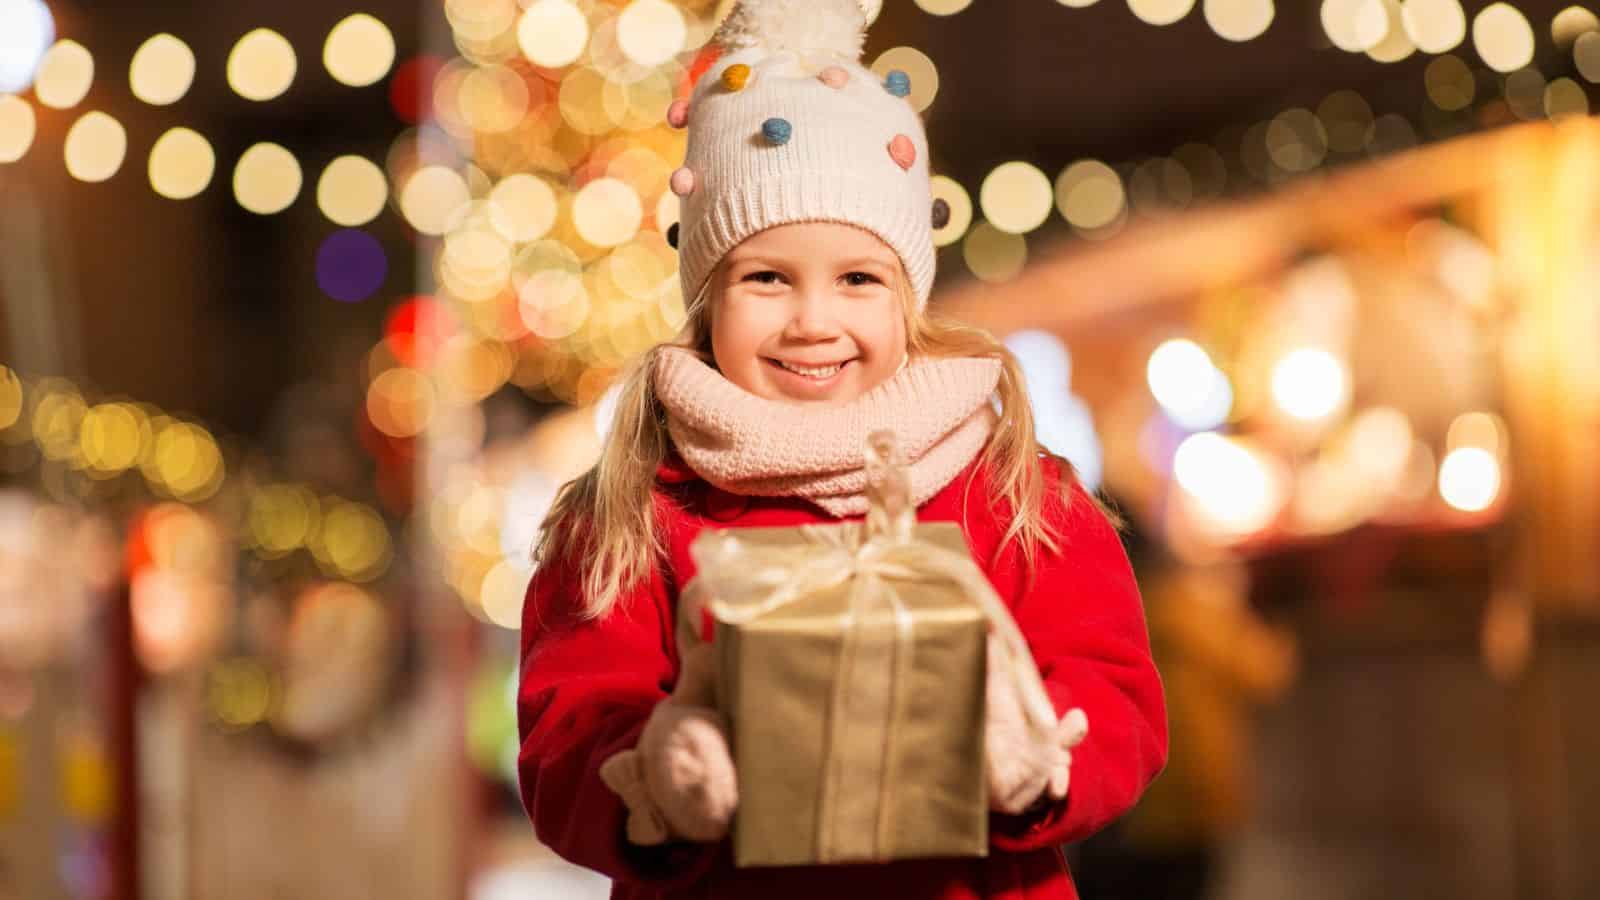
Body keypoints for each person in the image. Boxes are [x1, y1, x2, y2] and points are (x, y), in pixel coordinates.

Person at [516, 2, 1167, 897]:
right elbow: (566, 729)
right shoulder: (637, 507)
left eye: (858, 279)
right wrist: (652, 773)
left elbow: (1117, 693)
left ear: (909, 294)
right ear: (709, 298)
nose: (814, 322)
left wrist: (1040, 750)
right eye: (766, 278)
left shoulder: (1013, 490)